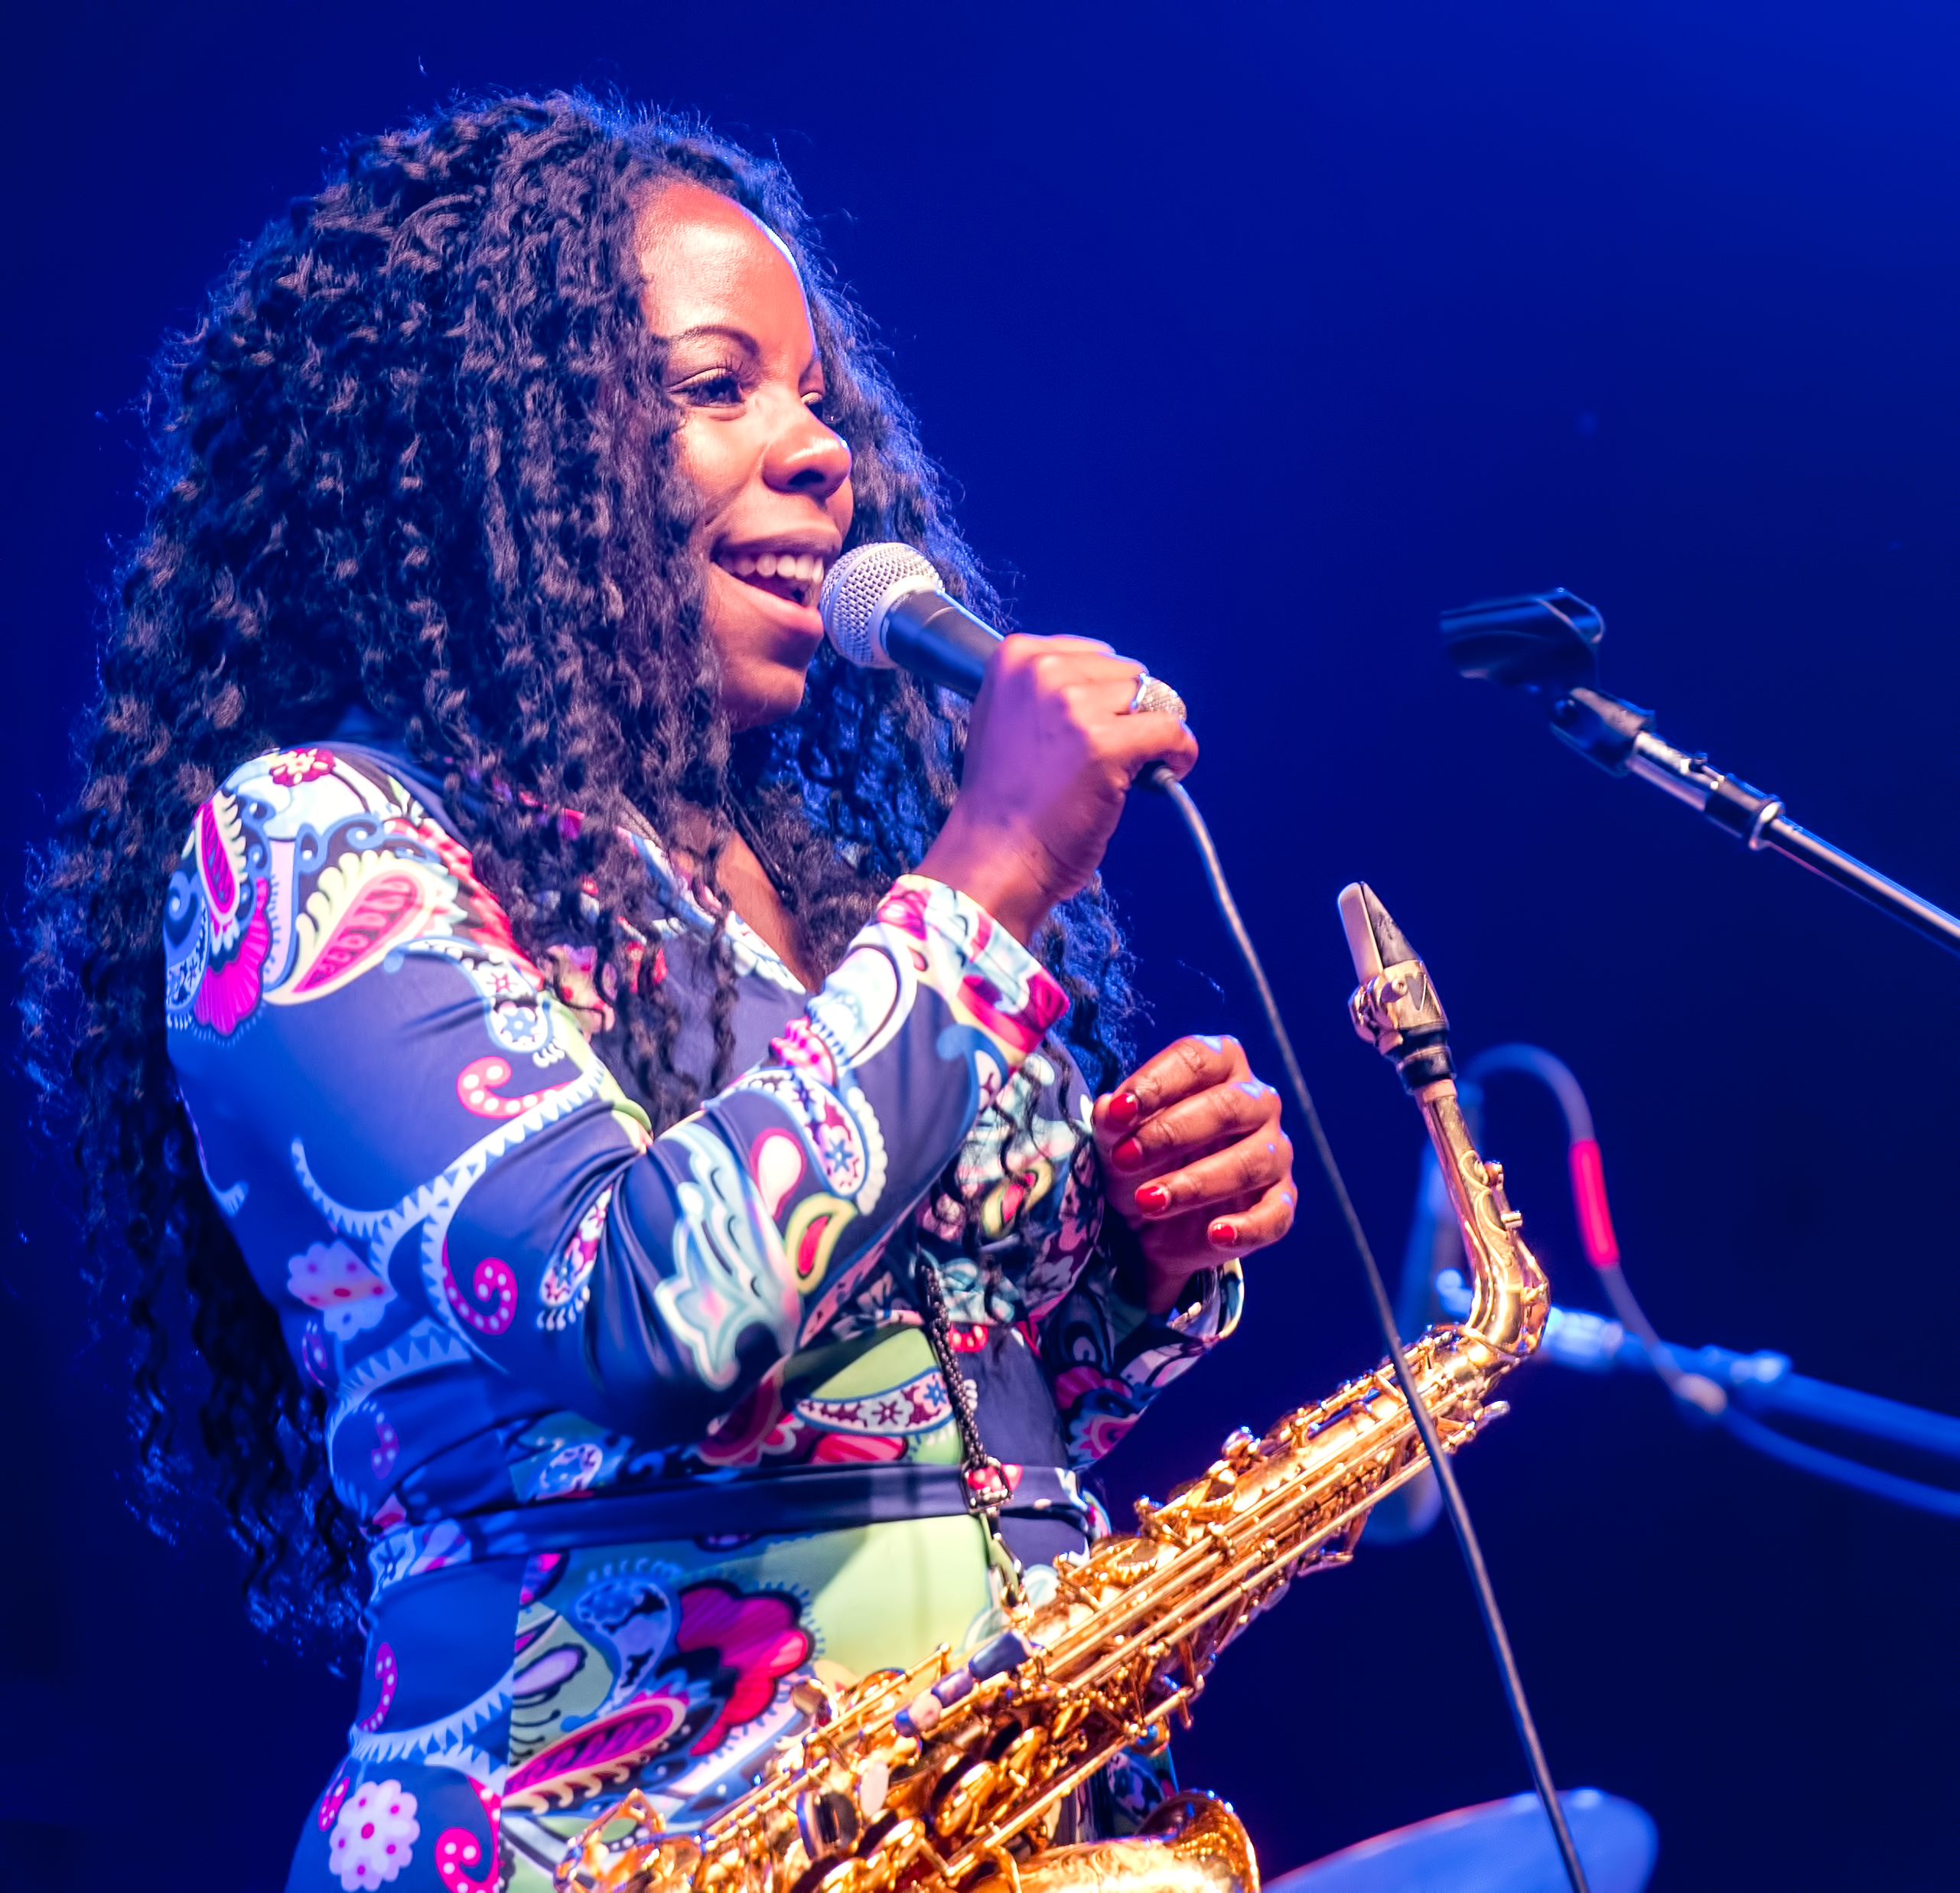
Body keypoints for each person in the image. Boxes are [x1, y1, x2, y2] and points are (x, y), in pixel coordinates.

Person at [24, 94, 1296, 1891]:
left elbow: (891, 1413)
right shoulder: (317, 852)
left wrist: (1128, 1261)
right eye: (720, 389)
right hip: (596, 1848)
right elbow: (648, 1320)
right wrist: (991, 875)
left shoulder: (810, 883)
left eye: (818, 402)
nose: (818, 453)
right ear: (505, 455)